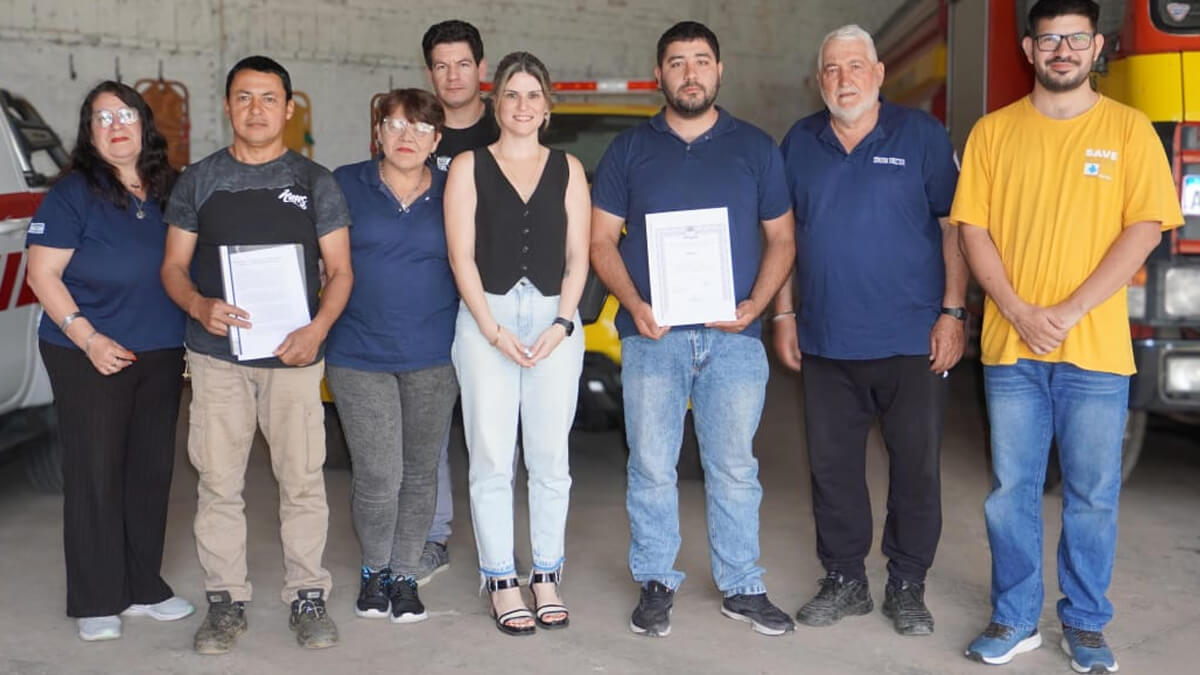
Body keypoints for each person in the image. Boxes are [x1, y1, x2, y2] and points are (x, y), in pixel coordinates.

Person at [950, 1, 1182, 671]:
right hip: (1011, 349)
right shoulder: (994, 132)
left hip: (1096, 350)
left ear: (1097, 47)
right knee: (1011, 492)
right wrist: (1018, 310)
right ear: (1028, 49)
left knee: (1091, 496)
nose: (1062, 50)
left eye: (1075, 39)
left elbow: (1144, 229)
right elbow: (972, 231)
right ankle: (1016, 616)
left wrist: (1069, 310)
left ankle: (1084, 623)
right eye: (1049, 39)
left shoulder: (1129, 130)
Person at [590, 21, 797, 638]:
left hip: (734, 336)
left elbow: (783, 239)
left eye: (701, 60)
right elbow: (600, 241)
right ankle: (656, 581)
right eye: (677, 62)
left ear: (719, 70)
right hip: (652, 335)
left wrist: (756, 304)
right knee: (652, 466)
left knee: (733, 467)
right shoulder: (629, 150)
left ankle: (742, 585)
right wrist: (635, 304)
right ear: (659, 74)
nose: (690, 73)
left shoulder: (756, 148)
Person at [773, 24, 965, 637]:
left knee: (916, 470)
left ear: (879, 74)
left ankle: (907, 584)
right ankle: (845, 579)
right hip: (826, 339)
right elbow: (781, 237)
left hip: (913, 339)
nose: (844, 79)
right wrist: (783, 313)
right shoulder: (799, 143)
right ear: (819, 80)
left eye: (856, 66)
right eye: (832, 69)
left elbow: (954, 227)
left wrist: (953, 312)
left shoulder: (922, 136)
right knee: (832, 470)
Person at [160, 55, 353, 653]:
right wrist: (198, 305)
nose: (256, 109)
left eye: (269, 98)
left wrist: (318, 329)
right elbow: (172, 267)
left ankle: (308, 595)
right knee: (218, 483)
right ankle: (225, 601)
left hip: (294, 358)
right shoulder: (199, 180)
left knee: (302, 481)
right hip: (217, 358)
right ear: (227, 106)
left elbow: (341, 271)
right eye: (244, 97)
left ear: (288, 108)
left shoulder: (316, 182)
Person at [24, 80, 194, 643]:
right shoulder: (72, 193)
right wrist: (88, 337)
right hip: (86, 351)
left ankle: (143, 585)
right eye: (102, 118)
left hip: (160, 348)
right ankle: (97, 597)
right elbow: (41, 274)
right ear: (89, 133)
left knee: (150, 472)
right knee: (96, 472)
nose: (116, 126)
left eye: (125, 115)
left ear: (144, 124)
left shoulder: (169, 189)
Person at [444, 51, 590, 636]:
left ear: (547, 106)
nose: (522, 106)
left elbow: (579, 257)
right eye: (511, 94)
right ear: (495, 103)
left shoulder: (569, 169)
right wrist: (490, 329)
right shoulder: (468, 165)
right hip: (488, 317)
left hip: (555, 320)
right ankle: (501, 579)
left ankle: (546, 575)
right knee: (491, 458)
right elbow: (461, 256)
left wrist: (563, 323)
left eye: (533, 95)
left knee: (551, 459)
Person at [327, 89, 458, 624]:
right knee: (379, 473)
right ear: (377, 131)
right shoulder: (344, 183)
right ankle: (375, 569)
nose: (408, 136)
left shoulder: (454, 189)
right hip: (358, 351)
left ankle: (405, 574)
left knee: (421, 471)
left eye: (421, 128)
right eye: (396, 125)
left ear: (437, 140)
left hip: (434, 352)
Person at [416, 18, 501, 584]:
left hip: (495, 299)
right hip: (428, 295)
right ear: (429, 73)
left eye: (463, 64)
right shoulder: (417, 131)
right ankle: (433, 535)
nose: (453, 76)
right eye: (441, 66)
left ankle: (499, 545)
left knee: (495, 430)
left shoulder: (507, 127)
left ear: (481, 69)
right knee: (430, 424)